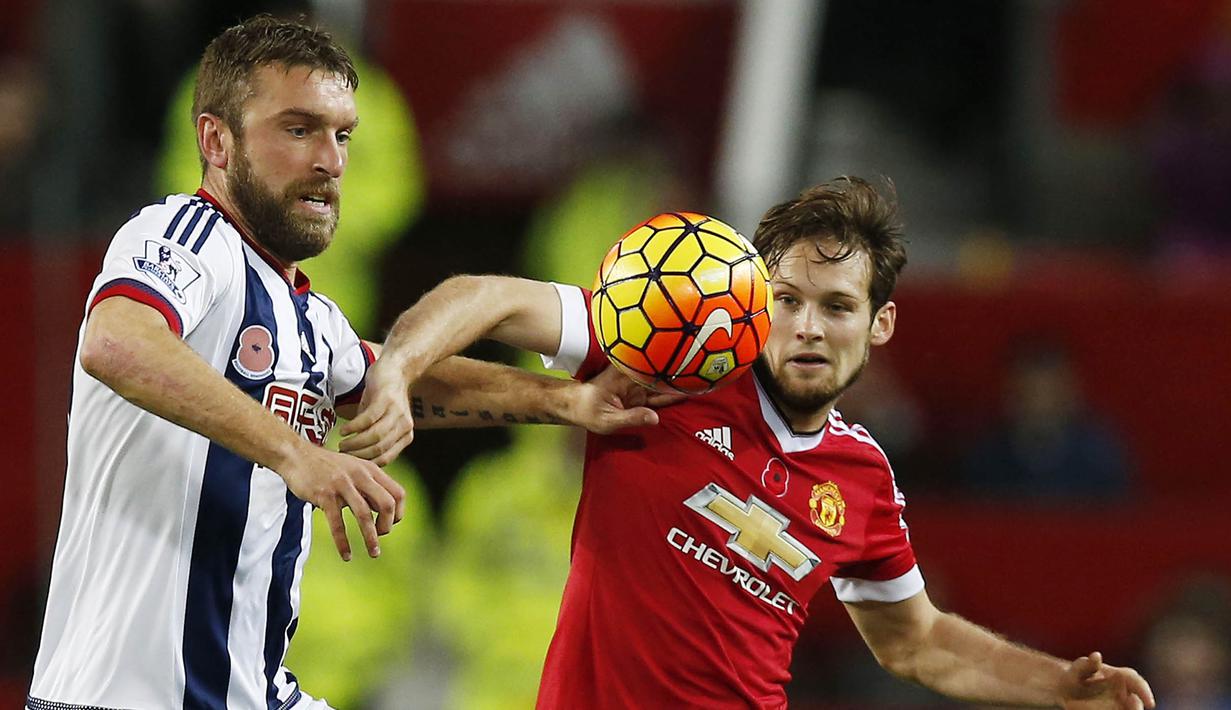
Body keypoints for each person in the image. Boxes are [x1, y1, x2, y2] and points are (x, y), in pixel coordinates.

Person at [27, 15, 656, 710]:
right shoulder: (184, 237)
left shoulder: (306, 315)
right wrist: (297, 454)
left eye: (342, 134)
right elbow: (116, 341)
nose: (329, 160)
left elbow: (397, 378)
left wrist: (561, 401)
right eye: (298, 130)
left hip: (247, 694)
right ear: (216, 141)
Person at [348, 177, 1155, 708]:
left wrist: (1059, 685)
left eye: (836, 307)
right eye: (786, 300)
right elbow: (483, 296)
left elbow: (918, 641)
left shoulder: (861, 477)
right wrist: (401, 371)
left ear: (878, 325)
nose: (807, 327)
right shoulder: (672, 360)